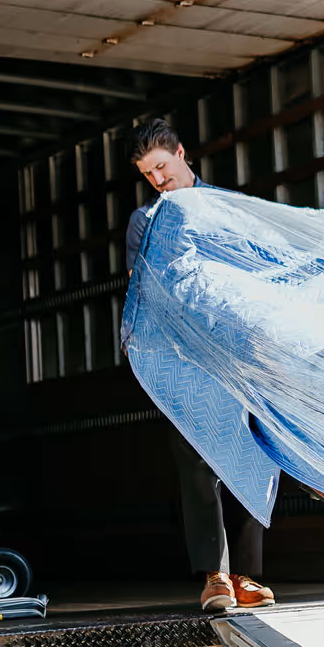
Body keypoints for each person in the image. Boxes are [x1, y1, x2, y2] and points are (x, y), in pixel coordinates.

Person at [125, 118, 276, 613]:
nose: (159, 180)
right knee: (197, 464)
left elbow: (259, 276)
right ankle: (216, 577)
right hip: (182, 359)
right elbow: (142, 288)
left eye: (162, 167)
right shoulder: (144, 224)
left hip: (236, 355)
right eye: (149, 174)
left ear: (183, 154)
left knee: (253, 456)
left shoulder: (226, 210)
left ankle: (248, 576)